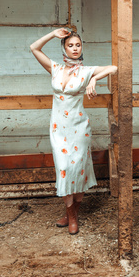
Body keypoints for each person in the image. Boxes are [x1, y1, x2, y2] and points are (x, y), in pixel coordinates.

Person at [30, 28, 117, 234]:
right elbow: (34, 48)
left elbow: (114, 67)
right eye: (71, 45)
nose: (75, 48)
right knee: (64, 169)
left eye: (78, 45)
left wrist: (95, 79)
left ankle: (72, 216)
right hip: (58, 128)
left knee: (77, 170)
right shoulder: (55, 68)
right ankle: (71, 215)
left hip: (79, 128)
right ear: (64, 47)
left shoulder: (87, 71)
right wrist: (52, 34)